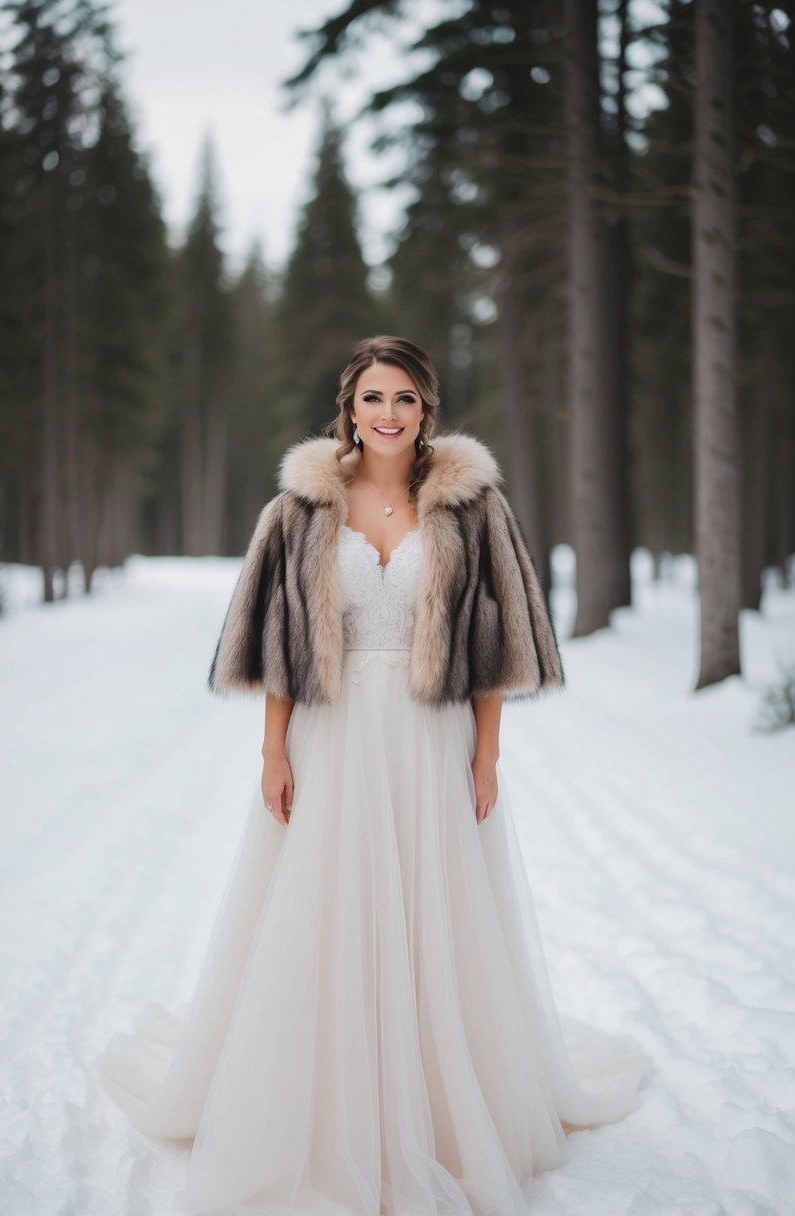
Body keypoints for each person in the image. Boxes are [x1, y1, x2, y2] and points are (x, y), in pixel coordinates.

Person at [97, 335, 649, 1215]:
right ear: (346, 408)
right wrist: (273, 752)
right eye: (370, 399)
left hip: (429, 738)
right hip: (332, 735)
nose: (385, 415)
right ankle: (318, 1108)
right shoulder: (301, 507)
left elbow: (496, 642)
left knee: (434, 916)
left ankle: (435, 1109)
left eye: (402, 399)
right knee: (326, 911)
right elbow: (278, 645)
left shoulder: (472, 506)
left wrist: (486, 751)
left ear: (426, 407)